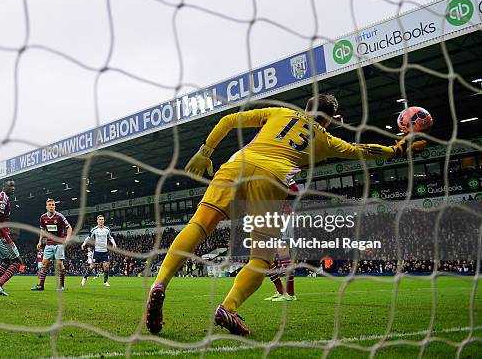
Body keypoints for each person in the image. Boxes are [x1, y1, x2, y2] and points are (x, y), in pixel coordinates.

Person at [145, 94, 427, 335]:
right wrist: (398, 148)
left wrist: (206, 151)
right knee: (262, 257)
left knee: (201, 224)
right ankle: (228, 308)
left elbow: (229, 120)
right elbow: (361, 150)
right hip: (273, 179)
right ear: (330, 119)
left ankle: (160, 283)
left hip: (237, 165)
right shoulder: (326, 139)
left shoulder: (280, 112)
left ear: (305, 107)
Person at [31, 198, 72, 292]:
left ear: (55, 206)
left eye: (53, 205)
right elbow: (43, 230)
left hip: (59, 243)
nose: (51, 206)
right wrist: (40, 241)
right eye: (49, 205)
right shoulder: (43, 217)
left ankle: (61, 285)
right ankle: (40, 285)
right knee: (44, 264)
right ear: (46, 207)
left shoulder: (59, 216)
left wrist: (67, 239)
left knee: (59, 264)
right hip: (49, 243)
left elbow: (69, 227)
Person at [81, 215, 116, 287]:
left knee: (106, 266)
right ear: (97, 221)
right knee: (92, 266)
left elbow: (110, 237)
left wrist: (114, 243)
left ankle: (105, 281)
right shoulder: (94, 229)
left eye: (102, 219)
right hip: (97, 251)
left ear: (104, 220)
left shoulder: (107, 229)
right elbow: (88, 237)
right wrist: (84, 244)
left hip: (105, 251)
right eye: (100, 219)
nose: (101, 220)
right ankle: (85, 277)